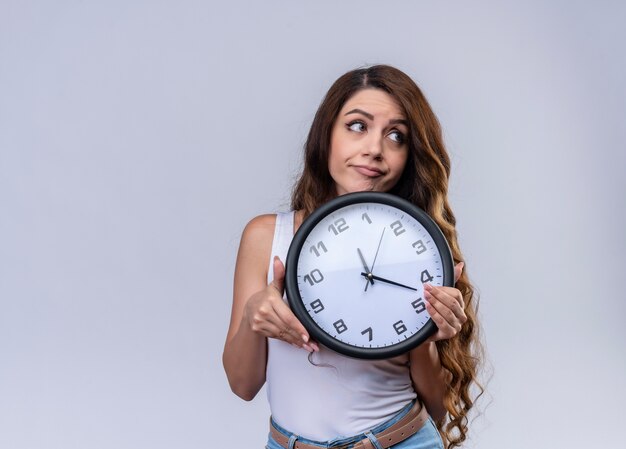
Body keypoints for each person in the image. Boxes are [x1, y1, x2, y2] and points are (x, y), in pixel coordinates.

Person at [223, 65, 483, 449]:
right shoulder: (267, 236)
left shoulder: (418, 247)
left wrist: (426, 334)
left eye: (396, 136)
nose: (375, 149)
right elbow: (242, 385)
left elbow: (437, 408)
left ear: (409, 156)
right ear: (325, 135)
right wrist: (253, 317)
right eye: (357, 126)